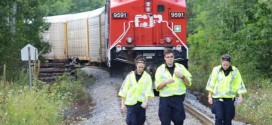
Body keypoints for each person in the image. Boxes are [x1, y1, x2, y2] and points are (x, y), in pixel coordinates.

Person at [206, 54, 247, 125]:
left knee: (228, 120)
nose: (225, 66)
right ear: (221, 62)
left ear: (230, 63)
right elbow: (211, 83)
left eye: (227, 65)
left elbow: (239, 83)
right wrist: (209, 96)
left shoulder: (235, 71)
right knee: (219, 116)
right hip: (217, 98)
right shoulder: (216, 70)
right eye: (224, 65)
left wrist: (240, 95)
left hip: (229, 99)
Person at [155, 48, 192, 125]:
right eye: (168, 57)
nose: (170, 59)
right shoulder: (160, 69)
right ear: (164, 58)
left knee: (179, 121)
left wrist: (182, 76)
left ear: (174, 57)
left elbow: (189, 83)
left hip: (178, 99)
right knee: (165, 122)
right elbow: (157, 87)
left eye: (171, 56)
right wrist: (165, 82)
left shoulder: (181, 67)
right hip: (165, 100)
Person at [118, 55, 154, 125]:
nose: (140, 68)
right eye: (139, 67)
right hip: (131, 103)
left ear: (144, 66)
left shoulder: (147, 77)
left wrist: (146, 101)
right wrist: (123, 104)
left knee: (140, 121)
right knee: (131, 122)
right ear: (136, 65)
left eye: (142, 67)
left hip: (141, 104)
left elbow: (148, 90)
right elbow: (124, 90)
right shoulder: (130, 76)